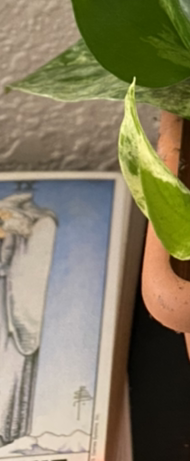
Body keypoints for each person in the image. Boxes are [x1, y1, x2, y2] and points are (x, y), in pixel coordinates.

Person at [0, 191, 57, 447]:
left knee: (12, 363)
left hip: (13, 306)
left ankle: (7, 430)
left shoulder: (41, 226)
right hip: (6, 301)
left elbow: (24, 270)